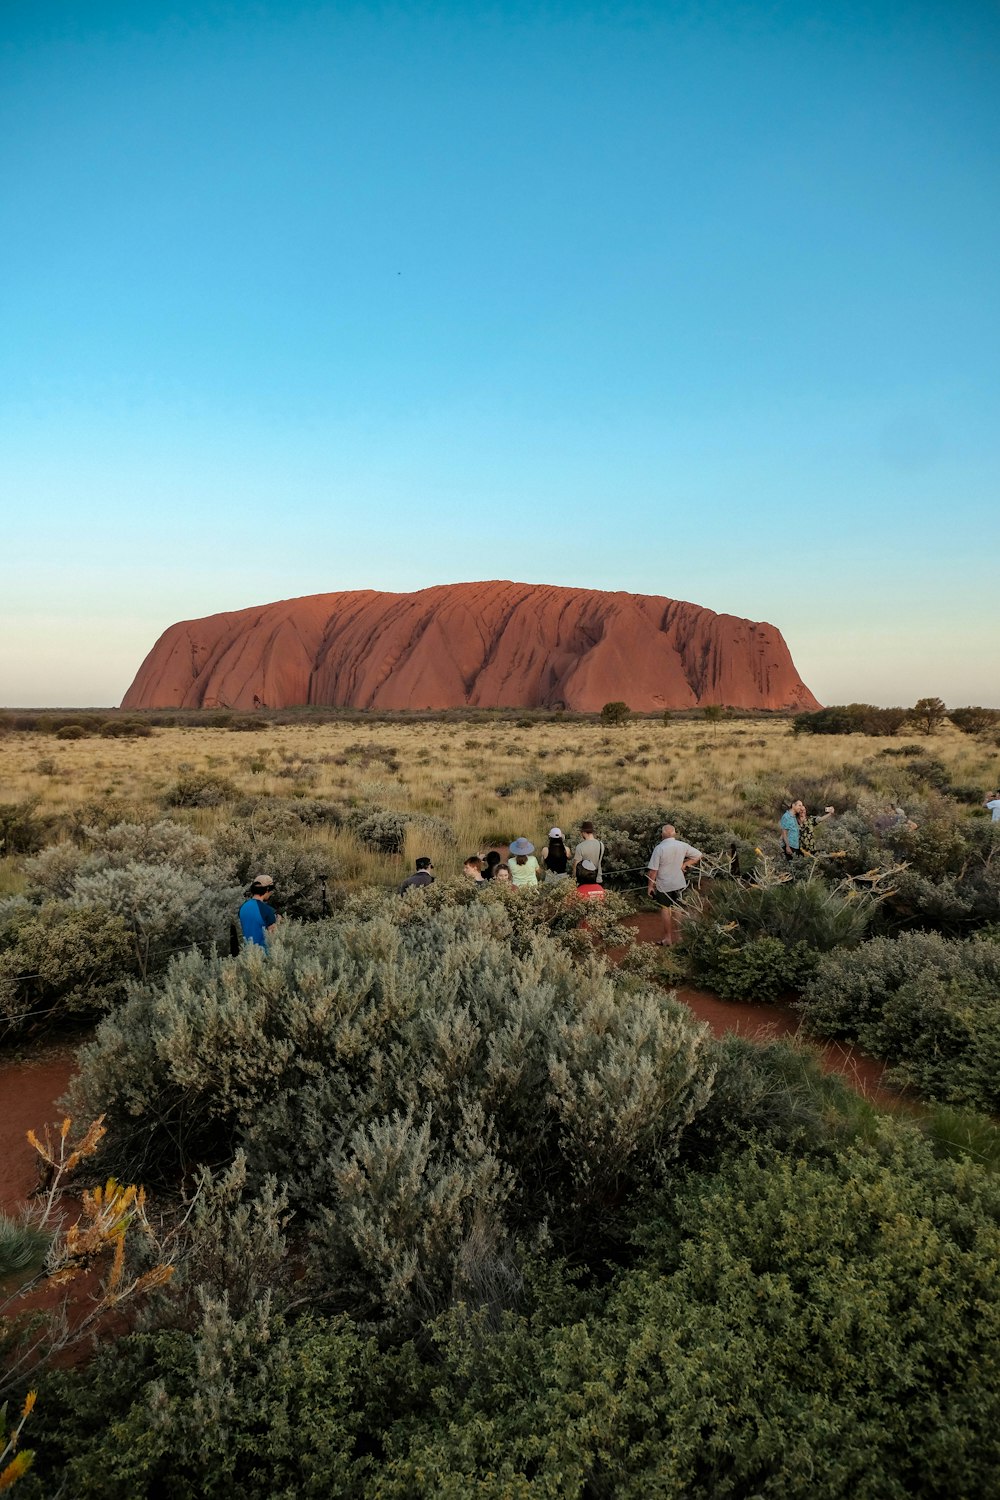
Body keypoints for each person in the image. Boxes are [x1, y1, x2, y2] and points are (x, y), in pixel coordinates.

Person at [646, 825, 702, 945]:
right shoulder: (682, 845)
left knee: (666, 909)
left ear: (662, 835)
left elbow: (653, 871)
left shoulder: (659, 848)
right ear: (675, 834)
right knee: (678, 909)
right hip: (679, 883)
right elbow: (698, 855)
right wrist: (686, 864)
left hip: (664, 885)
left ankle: (668, 939)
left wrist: (650, 886)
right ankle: (681, 937)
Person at [239, 874, 279, 950]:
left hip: (247, 953)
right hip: (263, 954)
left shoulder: (243, 907)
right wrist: (278, 922)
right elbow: (272, 937)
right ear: (267, 889)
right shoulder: (267, 910)